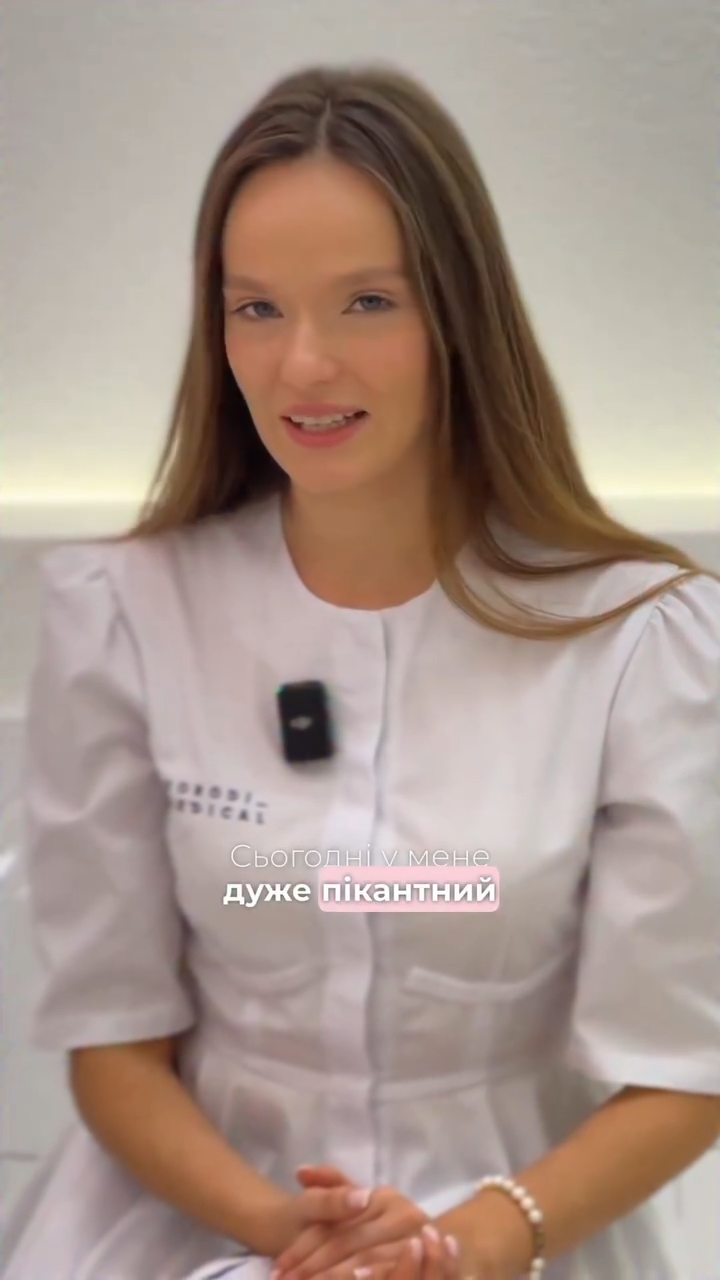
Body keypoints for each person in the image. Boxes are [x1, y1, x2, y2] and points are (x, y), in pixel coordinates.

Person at [3, 60, 720, 1280]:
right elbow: (115, 1042)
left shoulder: (640, 638)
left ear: (460, 317)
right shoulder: (126, 615)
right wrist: (288, 1232)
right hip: (196, 1226)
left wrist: (466, 1242)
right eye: (256, 308)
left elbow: (685, 1065)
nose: (303, 366)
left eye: (368, 303)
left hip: (525, 1230)